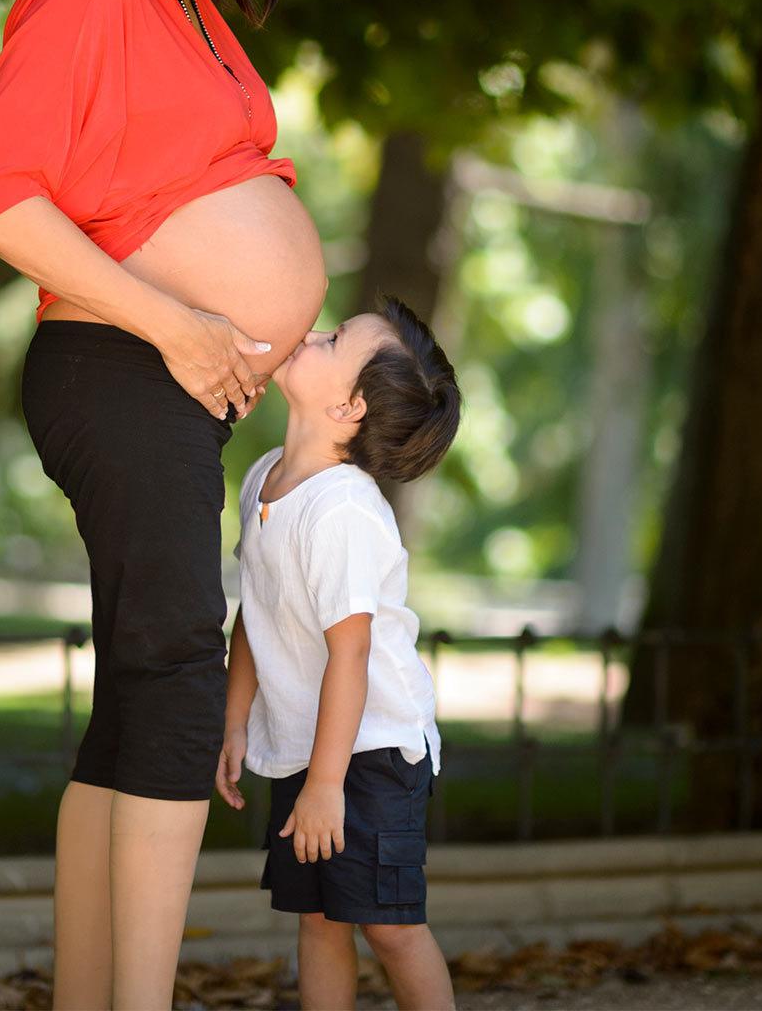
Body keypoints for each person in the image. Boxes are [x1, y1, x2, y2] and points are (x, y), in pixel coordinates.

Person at [0, 0, 335, 1009]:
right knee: (173, 670)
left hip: (166, 378)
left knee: (133, 697)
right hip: (116, 364)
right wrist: (178, 322)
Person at [215, 298, 462, 1010]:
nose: (312, 331)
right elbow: (253, 613)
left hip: (375, 749)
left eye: (332, 340)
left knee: (389, 928)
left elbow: (349, 658)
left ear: (350, 407)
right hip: (308, 748)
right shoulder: (264, 477)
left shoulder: (344, 510)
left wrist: (328, 787)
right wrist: (236, 722)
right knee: (319, 920)